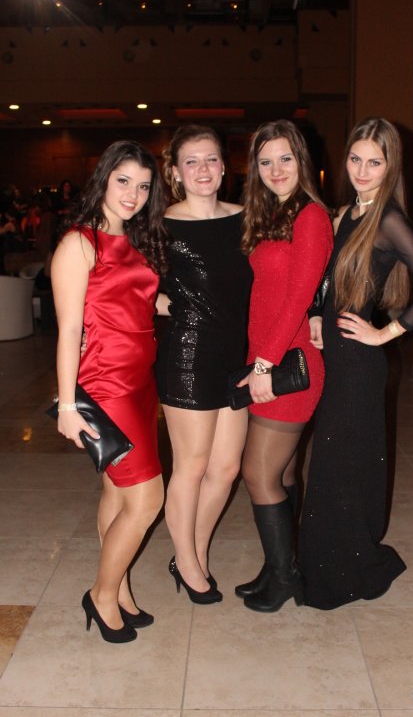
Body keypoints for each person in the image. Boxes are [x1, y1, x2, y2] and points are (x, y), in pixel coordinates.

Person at [299, 117, 413, 610]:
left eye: (375, 162)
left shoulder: (388, 220)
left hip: (359, 364)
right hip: (335, 355)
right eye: (355, 159)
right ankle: (329, 561)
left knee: (342, 464)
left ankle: (345, 569)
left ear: (391, 167)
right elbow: (327, 282)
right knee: (333, 462)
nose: (362, 171)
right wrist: (317, 316)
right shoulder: (345, 213)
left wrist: (384, 333)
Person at [51, 140, 168, 642]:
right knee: (147, 500)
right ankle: (101, 595)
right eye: (123, 182)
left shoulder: (134, 240)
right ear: (103, 179)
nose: (133, 194)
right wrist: (68, 405)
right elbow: (69, 330)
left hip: (140, 381)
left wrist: (166, 303)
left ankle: (118, 589)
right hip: (105, 386)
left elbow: (132, 299)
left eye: (143, 186)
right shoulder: (78, 244)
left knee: (118, 493)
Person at [234, 119, 333, 613]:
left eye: (285, 159)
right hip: (271, 357)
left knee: (257, 473)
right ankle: (281, 564)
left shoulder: (310, 216)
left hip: (288, 365)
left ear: (302, 161)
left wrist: (264, 365)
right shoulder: (273, 213)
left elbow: (298, 297)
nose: (276, 170)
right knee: (283, 469)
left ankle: (284, 576)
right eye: (266, 161)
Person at [156, 125, 252, 604]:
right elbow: (128, 282)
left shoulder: (245, 218)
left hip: (237, 356)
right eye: (191, 161)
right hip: (188, 353)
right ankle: (190, 562)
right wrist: (165, 304)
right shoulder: (161, 225)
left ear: (224, 166)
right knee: (191, 466)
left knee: (227, 468)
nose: (202, 169)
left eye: (211, 159)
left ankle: (190, 548)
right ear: (175, 172)